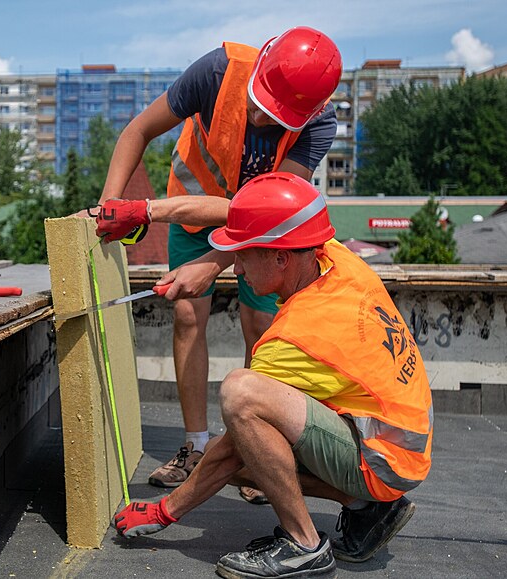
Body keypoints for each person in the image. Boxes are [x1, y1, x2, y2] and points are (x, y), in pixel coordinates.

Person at [111, 172, 433, 579]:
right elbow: (247, 213)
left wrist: (164, 510)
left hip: (384, 459)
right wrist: (160, 222)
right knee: (255, 458)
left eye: (243, 256)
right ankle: (368, 507)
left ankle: (303, 545)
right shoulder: (331, 254)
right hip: (397, 443)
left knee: (241, 396)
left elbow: (232, 453)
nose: (238, 270)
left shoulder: (295, 336)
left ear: (281, 258)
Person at [90, 26, 342, 493]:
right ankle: (195, 445)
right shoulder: (215, 71)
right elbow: (138, 130)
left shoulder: (319, 123)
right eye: (259, 105)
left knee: (261, 327)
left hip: (265, 224)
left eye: (275, 118)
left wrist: (215, 259)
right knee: (187, 313)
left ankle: (254, 450)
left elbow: (266, 210)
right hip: (191, 205)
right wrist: (112, 206)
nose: (259, 119)